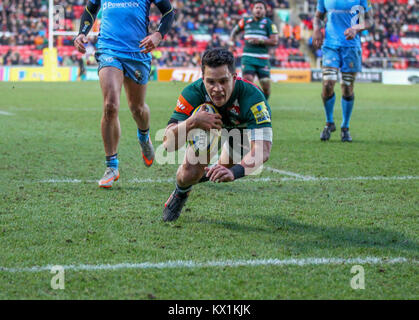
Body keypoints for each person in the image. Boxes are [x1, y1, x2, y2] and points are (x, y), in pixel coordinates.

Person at [162, 48, 273, 222]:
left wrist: (234, 172)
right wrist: (193, 122)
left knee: (223, 168)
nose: (217, 89)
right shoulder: (193, 92)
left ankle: (204, 173)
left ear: (234, 77)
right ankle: (181, 193)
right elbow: (168, 144)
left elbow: (262, 150)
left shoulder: (253, 97)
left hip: (240, 131)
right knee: (187, 175)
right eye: (211, 82)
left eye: (223, 81)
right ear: (202, 79)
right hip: (205, 124)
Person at [74, 0, 175, 187]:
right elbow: (90, 9)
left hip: (138, 52)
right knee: (110, 106)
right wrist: (82, 33)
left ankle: (144, 136)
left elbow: (168, 12)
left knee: (137, 108)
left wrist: (158, 35)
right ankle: (111, 166)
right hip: (109, 49)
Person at [313, 0, 373, 142]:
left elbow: (370, 20)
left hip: (351, 46)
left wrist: (356, 28)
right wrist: (316, 30)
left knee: (347, 87)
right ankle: (329, 123)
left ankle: (345, 127)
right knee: (328, 84)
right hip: (330, 45)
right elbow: (317, 17)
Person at [229, 1, 279, 100]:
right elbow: (234, 32)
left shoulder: (269, 23)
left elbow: (274, 41)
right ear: (252, 10)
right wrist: (231, 44)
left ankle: (264, 103)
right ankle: (249, 106)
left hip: (262, 59)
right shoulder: (245, 21)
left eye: (261, 8)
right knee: (248, 82)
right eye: (256, 8)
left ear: (265, 11)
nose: (258, 10)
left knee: (266, 86)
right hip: (248, 57)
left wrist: (260, 40)